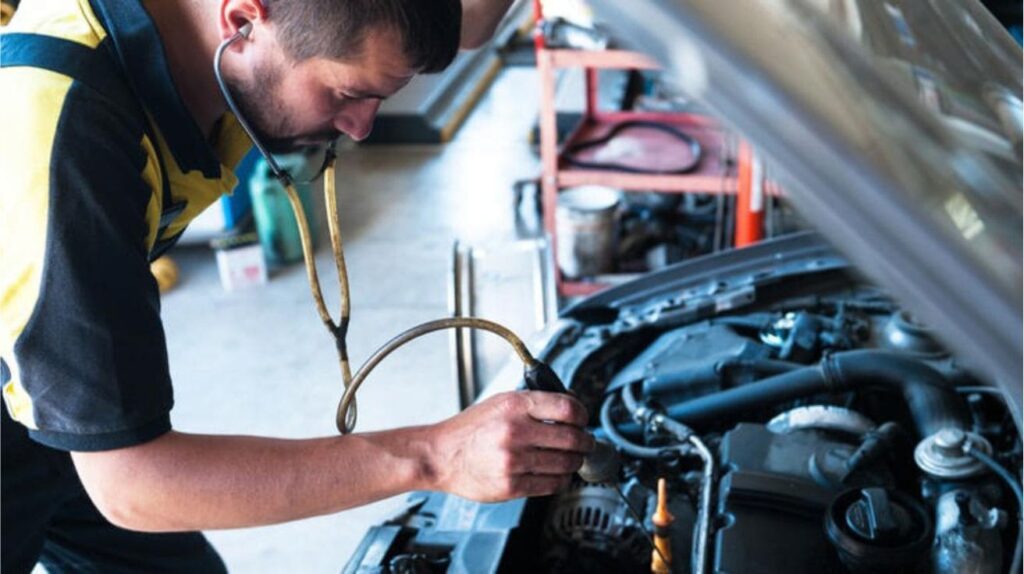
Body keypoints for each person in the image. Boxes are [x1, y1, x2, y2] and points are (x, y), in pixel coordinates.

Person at [0, 1, 594, 571]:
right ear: (241, 20)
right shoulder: (69, 143)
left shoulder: (226, 31)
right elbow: (132, 484)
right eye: (346, 94)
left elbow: (461, 23)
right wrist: (436, 455)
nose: (361, 129)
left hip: (59, 364)